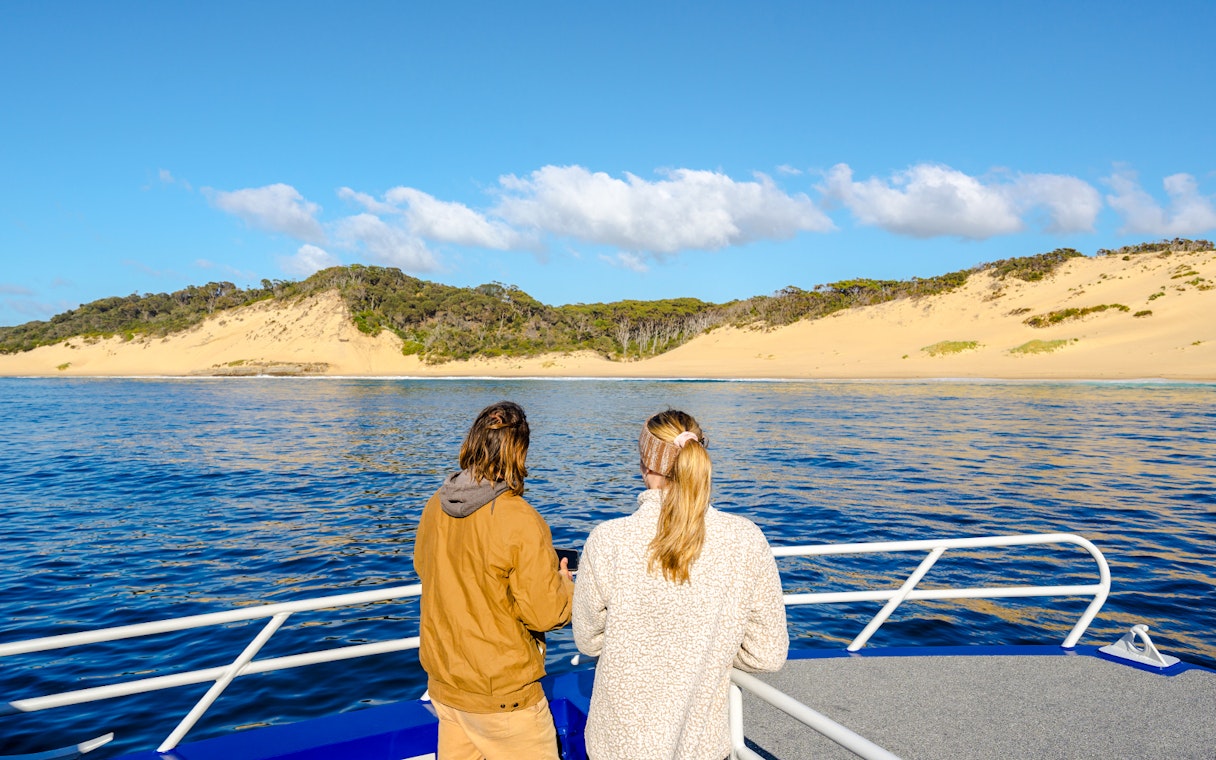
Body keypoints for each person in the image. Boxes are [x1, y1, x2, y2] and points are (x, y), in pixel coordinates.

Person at [572, 410, 788, 760]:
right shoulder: (746, 540)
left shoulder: (609, 540)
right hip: (700, 746)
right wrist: (708, 651)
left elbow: (588, 639)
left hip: (618, 746)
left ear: (646, 463)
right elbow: (768, 653)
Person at [413, 400, 574, 760]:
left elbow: (426, 569)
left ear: (472, 441)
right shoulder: (519, 518)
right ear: (520, 452)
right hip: (505, 700)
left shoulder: (434, 506)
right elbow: (546, 614)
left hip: (448, 690)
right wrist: (565, 583)